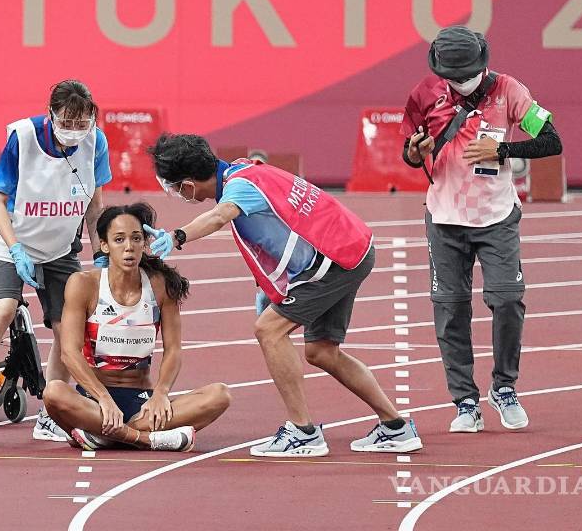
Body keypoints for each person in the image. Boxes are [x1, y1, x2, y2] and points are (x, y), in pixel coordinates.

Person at [146, 134, 422, 457]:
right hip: (348, 249)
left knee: (269, 330)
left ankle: (303, 433)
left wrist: (177, 236)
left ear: (188, 186)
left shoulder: (240, 187)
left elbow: (219, 216)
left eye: (174, 188)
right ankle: (395, 427)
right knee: (322, 351)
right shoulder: (243, 170)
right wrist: (267, 289)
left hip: (333, 258)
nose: (176, 194)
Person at [401, 26, 562, 433]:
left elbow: (552, 141)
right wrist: (415, 152)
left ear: (482, 64)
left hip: (496, 217)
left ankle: (504, 388)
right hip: (444, 218)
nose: (462, 82)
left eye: (468, 74)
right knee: (450, 308)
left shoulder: (509, 90)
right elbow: (410, 153)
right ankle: (465, 402)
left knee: (507, 300)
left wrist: (502, 149)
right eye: (453, 76)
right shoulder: (424, 94)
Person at [0, 80, 112, 441]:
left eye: (82, 123)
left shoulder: (96, 143)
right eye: (66, 122)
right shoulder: (23, 138)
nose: (74, 130)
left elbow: (95, 205)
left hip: (59, 245)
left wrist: (102, 252)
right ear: (50, 113)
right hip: (12, 236)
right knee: (3, 309)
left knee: (68, 327)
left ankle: (51, 415)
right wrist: (16, 249)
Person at [43, 203, 231, 451]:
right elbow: (69, 352)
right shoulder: (83, 284)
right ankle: (144, 439)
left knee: (220, 395)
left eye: (136, 238)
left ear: (144, 243)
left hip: (141, 402)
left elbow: (173, 350)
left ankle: (105, 435)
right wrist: (103, 398)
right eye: (119, 239)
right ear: (104, 245)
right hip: (94, 400)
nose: (129, 247)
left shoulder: (160, 286)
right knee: (54, 393)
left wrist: (161, 393)